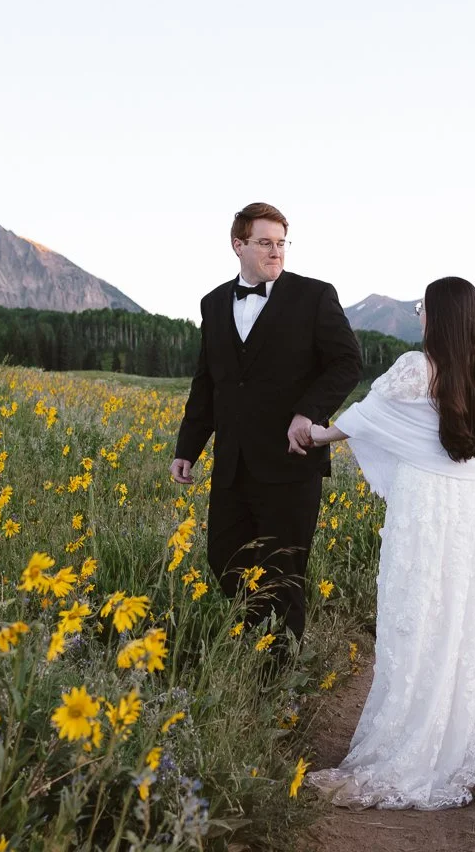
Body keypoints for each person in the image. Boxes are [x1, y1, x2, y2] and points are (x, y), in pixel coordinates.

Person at [303, 276, 475, 810]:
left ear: (438, 317)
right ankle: (468, 737)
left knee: (418, 614)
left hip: (425, 509)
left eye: (423, 307)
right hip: (468, 511)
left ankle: (410, 744)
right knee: (467, 616)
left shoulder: (416, 368)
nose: (418, 315)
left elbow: (365, 419)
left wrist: (315, 433)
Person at [171, 202, 362, 659]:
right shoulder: (214, 303)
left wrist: (308, 413)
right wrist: (188, 447)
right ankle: (257, 637)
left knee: (284, 571)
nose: (275, 252)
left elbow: (347, 363)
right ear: (238, 245)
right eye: (264, 243)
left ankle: (278, 679)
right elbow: (208, 382)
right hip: (233, 463)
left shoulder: (315, 296)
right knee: (223, 558)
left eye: (281, 243)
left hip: (291, 463)